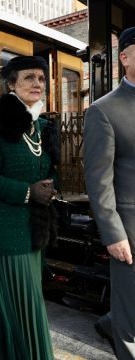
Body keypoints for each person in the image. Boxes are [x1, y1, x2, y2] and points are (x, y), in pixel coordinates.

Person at [0, 56, 58, 360]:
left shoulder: (42, 126)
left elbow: (45, 170)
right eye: (29, 78)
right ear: (11, 84)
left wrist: (49, 187)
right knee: (24, 318)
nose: (37, 83)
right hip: (3, 238)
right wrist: (28, 192)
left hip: (33, 235)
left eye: (42, 78)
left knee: (23, 318)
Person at [84, 26, 135, 359]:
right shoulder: (103, 110)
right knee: (131, 313)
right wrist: (113, 233)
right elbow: (98, 179)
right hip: (130, 227)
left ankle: (109, 324)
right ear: (125, 57)